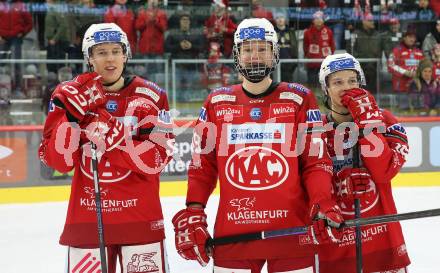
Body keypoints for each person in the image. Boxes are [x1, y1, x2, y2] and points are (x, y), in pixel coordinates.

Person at [172, 17, 343, 273]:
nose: (255, 56)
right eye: (248, 49)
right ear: (237, 56)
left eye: (262, 49)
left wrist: (322, 202)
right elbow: (202, 165)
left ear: (274, 53)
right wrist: (194, 209)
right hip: (234, 235)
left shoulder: (299, 98)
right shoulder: (217, 101)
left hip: (291, 232)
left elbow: (316, 162)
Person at [38, 23, 174, 273]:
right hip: (87, 222)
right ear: (89, 57)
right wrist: (69, 121)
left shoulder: (152, 96)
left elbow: (158, 159)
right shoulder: (67, 95)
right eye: (100, 52)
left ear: (126, 54)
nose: (109, 59)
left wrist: (110, 134)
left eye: (115, 51)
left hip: (140, 220)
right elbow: (58, 162)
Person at [317, 52, 411, 273]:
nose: (346, 87)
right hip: (337, 245)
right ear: (325, 89)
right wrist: (338, 186)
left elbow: (384, 173)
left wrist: (367, 124)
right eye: (337, 82)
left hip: (383, 244)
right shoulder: (316, 129)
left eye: (352, 80)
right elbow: (312, 182)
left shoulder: (385, 120)